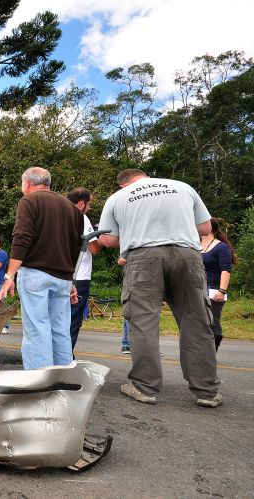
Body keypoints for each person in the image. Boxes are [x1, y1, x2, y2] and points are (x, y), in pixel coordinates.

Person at [98, 168, 221, 408]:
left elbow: (108, 240)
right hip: (187, 255)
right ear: (146, 177)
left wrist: (137, 232)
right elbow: (205, 228)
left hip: (144, 257)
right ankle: (206, 390)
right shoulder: (183, 187)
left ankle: (144, 387)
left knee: (143, 322)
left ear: (123, 185)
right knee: (196, 321)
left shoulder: (118, 198)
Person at [0, 167, 83, 369]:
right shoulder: (71, 208)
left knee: (37, 329)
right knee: (60, 329)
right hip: (63, 276)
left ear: (27, 183)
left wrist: (10, 275)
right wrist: (71, 279)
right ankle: (64, 378)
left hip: (36, 273)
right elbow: (78, 246)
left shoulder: (29, 201)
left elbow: (22, 238)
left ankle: (39, 381)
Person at [67, 187, 102, 350]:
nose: (89, 208)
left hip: (59, 274)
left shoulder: (59, 214)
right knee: (73, 321)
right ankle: (66, 358)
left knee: (58, 320)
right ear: (81, 204)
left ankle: (53, 357)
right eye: (89, 205)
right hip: (78, 277)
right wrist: (99, 236)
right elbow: (94, 249)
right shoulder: (81, 218)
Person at [201, 218, 236, 351]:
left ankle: (212, 350)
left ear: (210, 227)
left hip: (214, 289)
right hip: (198, 288)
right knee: (200, 322)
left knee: (213, 321)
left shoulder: (221, 247)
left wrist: (222, 291)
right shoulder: (194, 244)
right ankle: (203, 350)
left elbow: (225, 270)